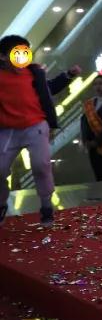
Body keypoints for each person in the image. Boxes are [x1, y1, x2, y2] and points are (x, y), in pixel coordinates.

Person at [0, 35, 60, 228]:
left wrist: (52, 124)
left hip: (36, 126)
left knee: (41, 165)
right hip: (8, 130)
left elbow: (47, 95)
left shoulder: (34, 73)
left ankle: (46, 206)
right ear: (3, 56)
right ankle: (1, 203)